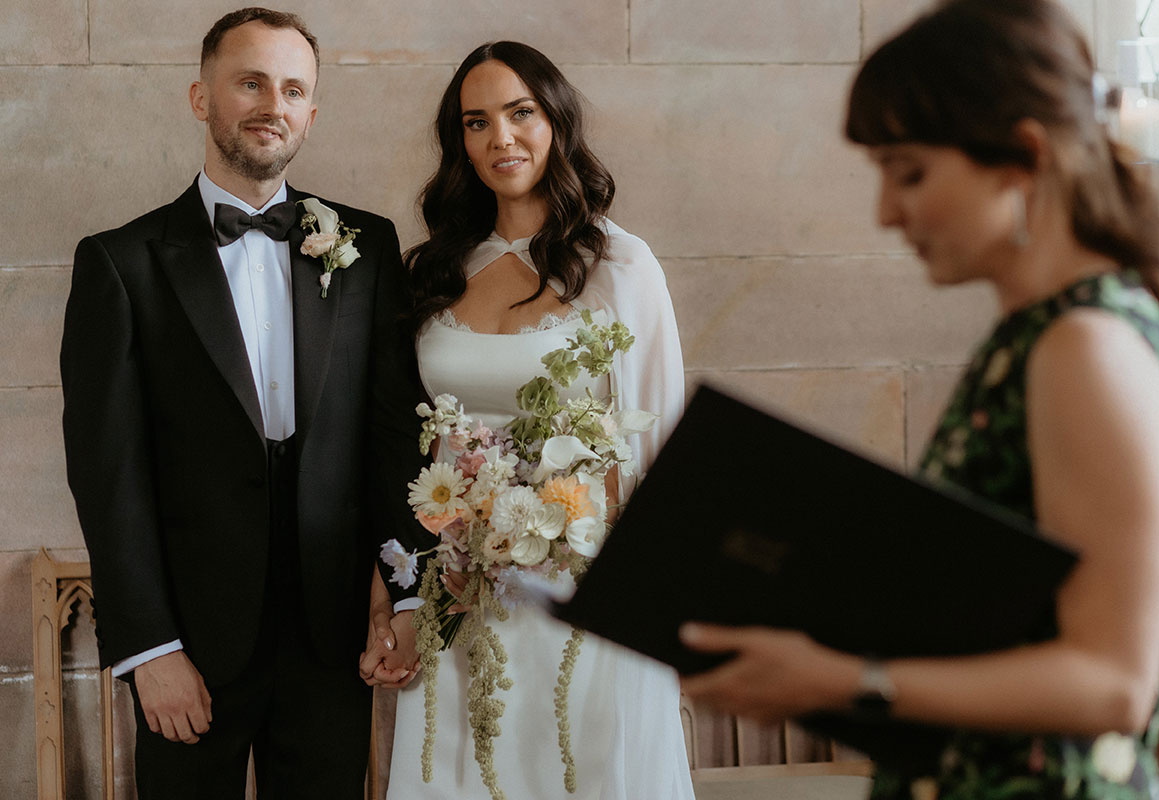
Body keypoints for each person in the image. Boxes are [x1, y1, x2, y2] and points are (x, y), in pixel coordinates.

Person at [678, 1, 1159, 798]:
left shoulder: (1086, 347)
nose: (889, 212)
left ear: (1021, 156)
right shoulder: (1036, 335)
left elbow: (1114, 685)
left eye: (910, 172)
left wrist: (848, 680)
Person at [59, 8, 422, 798]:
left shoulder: (368, 248)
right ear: (201, 97)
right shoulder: (121, 265)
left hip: (334, 641)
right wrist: (150, 649)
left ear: (312, 113)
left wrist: (406, 593)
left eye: (293, 89)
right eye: (250, 82)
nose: (273, 104)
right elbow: (106, 474)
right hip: (189, 642)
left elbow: (396, 436)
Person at [366, 40, 695, 800]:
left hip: (585, 595)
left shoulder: (622, 268)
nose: (501, 138)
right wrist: (406, 583)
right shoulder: (433, 272)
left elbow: (659, 441)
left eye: (521, 114)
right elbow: (406, 447)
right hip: (461, 592)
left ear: (557, 121)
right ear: (460, 143)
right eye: (476, 123)